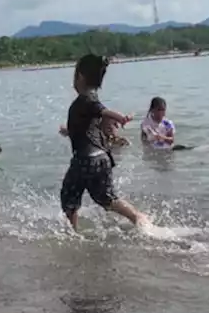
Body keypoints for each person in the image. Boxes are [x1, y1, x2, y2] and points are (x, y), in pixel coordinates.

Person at [60, 54, 150, 231]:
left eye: (74, 75)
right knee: (107, 199)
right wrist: (69, 132)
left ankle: (73, 233)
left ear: (80, 77)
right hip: (101, 158)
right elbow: (90, 128)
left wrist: (120, 118)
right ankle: (137, 217)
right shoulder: (90, 98)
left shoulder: (86, 99)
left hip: (84, 160)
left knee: (69, 199)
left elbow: (102, 111)